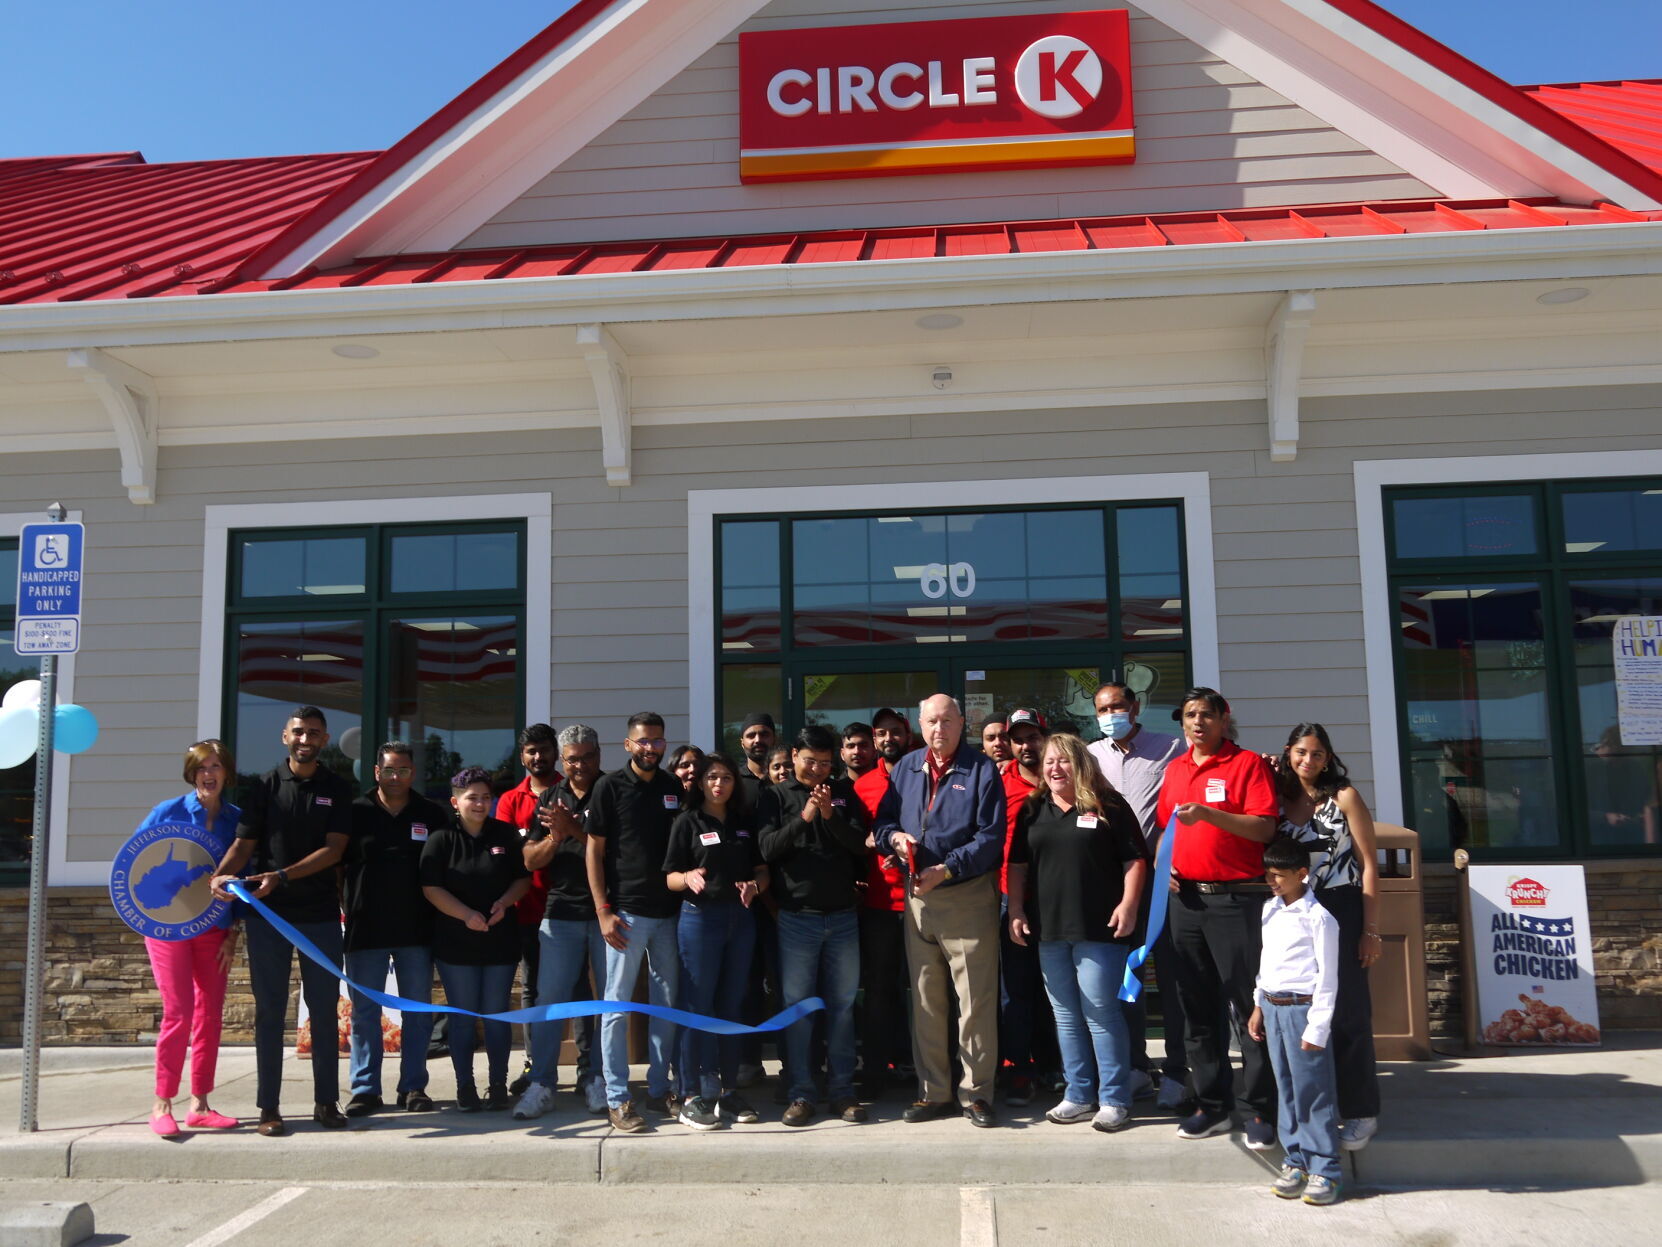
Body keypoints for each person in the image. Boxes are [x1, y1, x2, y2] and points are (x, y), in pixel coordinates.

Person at [210, 705, 352, 1137]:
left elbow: (335, 851)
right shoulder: (264, 787)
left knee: (325, 1013)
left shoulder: (339, 788)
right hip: (267, 915)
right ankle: (269, 1108)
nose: (305, 739)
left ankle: (327, 1103)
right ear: (284, 738)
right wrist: (221, 872)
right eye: (298, 732)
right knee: (269, 1012)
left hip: (320, 915)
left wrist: (284, 875)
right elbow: (242, 844)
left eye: (313, 733)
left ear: (325, 740)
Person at [874, 694, 1006, 1127]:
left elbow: (990, 839)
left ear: (962, 723)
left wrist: (946, 870)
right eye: (931, 721)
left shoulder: (982, 769)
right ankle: (934, 1093)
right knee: (927, 1002)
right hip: (918, 901)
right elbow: (884, 823)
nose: (939, 729)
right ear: (920, 723)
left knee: (975, 1003)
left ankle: (976, 1094)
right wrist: (895, 841)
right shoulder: (907, 768)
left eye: (947, 721)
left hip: (965, 897)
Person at [1156, 687, 1279, 1147]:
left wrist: (1211, 814)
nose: (1197, 723)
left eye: (1206, 715)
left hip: (1235, 900)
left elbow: (1265, 826)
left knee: (1248, 1009)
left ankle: (1259, 1111)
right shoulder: (1175, 769)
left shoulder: (1247, 765)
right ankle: (1212, 1104)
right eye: (1189, 716)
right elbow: (1168, 827)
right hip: (1185, 902)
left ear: (1224, 718)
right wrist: (1162, 863)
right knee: (1196, 1007)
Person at [1007, 734, 1149, 1132]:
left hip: (1099, 928)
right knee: (1065, 1015)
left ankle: (1115, 1098)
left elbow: (1135, 860)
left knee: (1101, 1011)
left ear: (1081, 765)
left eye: (1063, 762)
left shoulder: (1109, 805)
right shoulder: (1034, 809)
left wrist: (1129, 905)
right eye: (1050, 762)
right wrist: (1016, 909)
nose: (1054, 769)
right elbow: (1017, 865)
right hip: (1049, 927)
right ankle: (1078, 1093)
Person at [1274, 723, 1382, 1151]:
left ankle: (1360, 1111)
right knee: (1302, 1013)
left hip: (1341, 908)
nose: (1308, 761)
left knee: (1348, 1012)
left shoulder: (1345, 798)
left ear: (1328, 757)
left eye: (1317, 754)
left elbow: (1369, 863)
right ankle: (1314, 1110)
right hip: (1294, 913)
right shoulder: (1277, 798)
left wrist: (1371, 930)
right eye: (1301, 752)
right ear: (1289, 753)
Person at [758, 725, 870, 1126]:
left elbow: (860, 845)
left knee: (841, 1009)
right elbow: (767, 848)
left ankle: (842, 1092)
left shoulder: (843, 793)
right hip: (796, 920)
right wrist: (806, 817)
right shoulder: (774, 796)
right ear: (793, 759)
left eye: (825, 764)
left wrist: (830, 815)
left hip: (842, 917)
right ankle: (801, 1092)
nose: (819, 771)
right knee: (799, 1010)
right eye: (811, 762)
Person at [1087, 681, 1188, 1110]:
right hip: (1114, 886)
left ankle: (1180, 1071)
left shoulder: (1171, 748)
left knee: (1172, 978)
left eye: (1119, 706)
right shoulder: (1090, 757)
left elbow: (1188, 803)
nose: (1112, 714)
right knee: (1123, 981)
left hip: (1164, 883)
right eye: (1103, 709)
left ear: (1136, 706)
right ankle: (1135, 1068)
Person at [587, 711, 685, 1132]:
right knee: (616, 1007)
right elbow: (593, 851)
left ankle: (660, 1090)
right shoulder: (608, 787)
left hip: (669, 914)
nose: (651, 748)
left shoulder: (672, 788)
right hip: (624, 914)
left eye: (658, 741)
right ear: (628, 745)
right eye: (643, 741)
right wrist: (603, 910)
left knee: (667, 1006)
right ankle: (618, 1097)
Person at [140, 739, 242, 1137]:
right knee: (178, 1012)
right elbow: (135, 863)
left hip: (215, 929)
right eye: (202, 767)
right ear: (191, 772)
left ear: (226, 773)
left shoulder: (237, 819)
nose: (209, 774)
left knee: (210, 1015)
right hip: (168, 929)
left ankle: (200, 1103)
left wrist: (234, 931)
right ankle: (162, 1102)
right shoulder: (167, 812)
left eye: (216, 766)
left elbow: (244, 878)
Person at [341, 741, 444, 1117]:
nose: (396, 776)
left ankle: (413, 1086)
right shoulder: (353, 813)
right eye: (389, 770)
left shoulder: (430, 814)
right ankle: (365, 1089)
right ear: (375, 772)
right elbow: (337, 867)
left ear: (412, 773)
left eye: (403, 770)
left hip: (416, 930)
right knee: (365, 1012)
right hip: (364, 929)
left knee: (417, 1012)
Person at [665, 752, 766, 1129]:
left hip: (739, 921)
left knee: (732, 1006)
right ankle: (692, 1093)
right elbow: (669, 877)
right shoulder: (687, 822)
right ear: (701, 782)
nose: (719, 784)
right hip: (699, 920)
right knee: (698, 1005)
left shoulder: (743, 822)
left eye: (725, 777)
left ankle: (728, 1092)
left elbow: (761, 870)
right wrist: (687, 877)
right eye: (712, 777)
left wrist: (756, 885)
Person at [420, 766, 531, 1112]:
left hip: (499, 940)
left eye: (486, 797)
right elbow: (430, 887)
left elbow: (522, 879)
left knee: (497, 1015)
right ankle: (465, 1086)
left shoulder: (505, 834)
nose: (480, 804)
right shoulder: (441, 839)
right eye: (472, 798)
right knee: (463, 1018)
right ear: (455, 802)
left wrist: (504, 902)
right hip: (456, 944)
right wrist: (465, 914)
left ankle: (497, 1084)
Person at [516, 723, 609, 1120]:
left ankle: (599, 1079)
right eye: (573, 759)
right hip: (560, 913)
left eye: (588, 757)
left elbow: (621, 855)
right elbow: (530, 860)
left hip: (608, 913)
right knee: (549, 1001)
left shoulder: (613, 790)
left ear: (599, 755)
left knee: (607, 1003)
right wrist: (556, 838)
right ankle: (541, 1084)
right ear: (563, 760)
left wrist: (574, 830)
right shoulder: (551, 798)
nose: (581, 765)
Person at [1247, 837, 1343, 1206]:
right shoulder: (1269, 909)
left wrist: (1317, 1026)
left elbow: (1328, 978)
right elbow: (1266, 961)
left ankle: (1325, 1169)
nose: (1272, 882)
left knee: (1313, 1090)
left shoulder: (1319, 918)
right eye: (1268, 875)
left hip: (1303, 1009)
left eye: (1279, 876)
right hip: (1272, 1007)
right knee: (1285, 1087)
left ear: (1302, 874)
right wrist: (1258, 1005)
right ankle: (1297, 1161)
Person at [495, 724, 561, 1095]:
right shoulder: (509, 801)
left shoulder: (570, 792)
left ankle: (588, 1068)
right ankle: (534, 1064)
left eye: (544, 750)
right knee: (531, 989)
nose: (539, 757)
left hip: (568, 909)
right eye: (531, 751)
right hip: (525, 910)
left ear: (555, 752)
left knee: (576, 990)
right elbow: (505, 857)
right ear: (522, 756)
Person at [853, 707, 911, 1100]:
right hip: (877, 904)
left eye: (895, 732)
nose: (888, 739)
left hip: (922, 900)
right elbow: (852, 839)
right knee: (878, 991)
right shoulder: (862, 786)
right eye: (881, 734)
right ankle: (876, 1068)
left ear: (907, 735)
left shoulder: (922, 776)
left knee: (925, 991)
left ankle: (917, 1064)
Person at [998, 708, 1053, 1107]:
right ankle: (1017, 1068)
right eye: (1018, 739)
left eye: (1032, 736)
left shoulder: (1063, 780)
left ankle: (1054, 1066)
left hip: (1057, 901)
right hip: (1009, 901)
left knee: (1055, 992)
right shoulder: (998, 784)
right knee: (1015, 992)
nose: (1025, 745)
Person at [737, 712, 777, 806]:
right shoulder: (734, 780)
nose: (758, 740)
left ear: (774, 739)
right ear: (742, 743)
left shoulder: (785, 778)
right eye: (751, 735)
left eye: (764, 734)